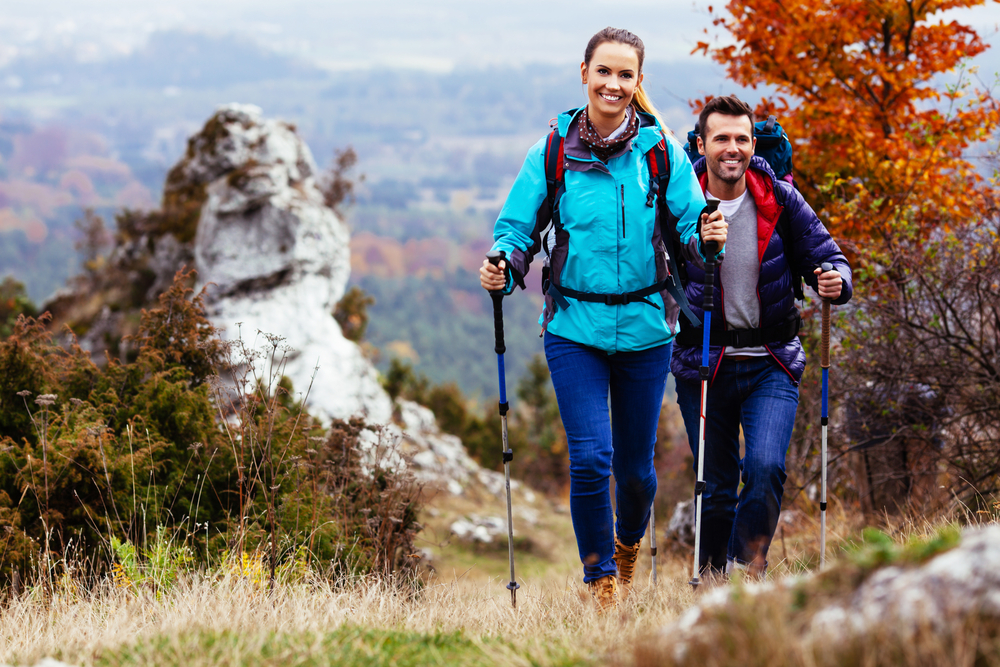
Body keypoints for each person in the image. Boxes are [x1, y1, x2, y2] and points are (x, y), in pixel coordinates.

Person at [479, 27, 724, 610]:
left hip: (646, 328)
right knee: (591, 458)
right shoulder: (553, 151)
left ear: (638, 83)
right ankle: (600, 582)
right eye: (604, 72)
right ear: (583, 73)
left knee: (636, 473)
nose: (613, 84)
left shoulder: (659, 150)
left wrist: (707, 239)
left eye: (625, 75)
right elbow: (518, 229)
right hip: (574, 329)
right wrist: (505, 266)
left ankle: (627, 542)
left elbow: (690, 225)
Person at [672, 94, 853, 576]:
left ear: (754, 144)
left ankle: (745, 572)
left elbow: (828, 255)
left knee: (766, 468)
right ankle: (710, 583)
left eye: (742, 139)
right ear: (702, 144)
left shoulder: (779, 197)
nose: (732, 148)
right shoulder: (680, 200)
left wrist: (835, 279)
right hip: (701, 363)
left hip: (770, 360)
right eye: (721, 139)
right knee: (714, 483)